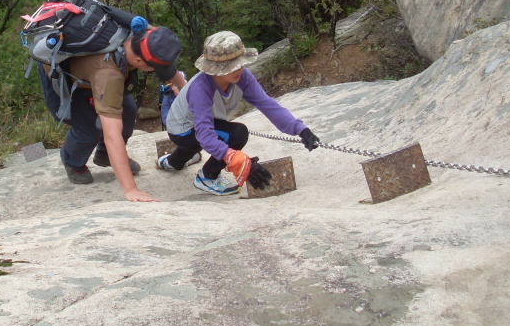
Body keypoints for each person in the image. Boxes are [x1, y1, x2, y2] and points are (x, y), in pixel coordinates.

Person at [159, 30, 322, 195]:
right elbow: (204, 135)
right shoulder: (201, 87)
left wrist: (301, 130)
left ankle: (173, 162)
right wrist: (236, 160)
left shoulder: (242, 76)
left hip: (201, 124)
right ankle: (207, 177)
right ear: (215, 69)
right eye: (232, 66)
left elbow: (267, 104)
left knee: (216, 136)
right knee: (237, 134)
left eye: (241, 63)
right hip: (182, 129)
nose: (239, 69)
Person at [39, 19, 186, 202]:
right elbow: (111, 135)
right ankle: (72, 161)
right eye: (153, 69)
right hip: (70, 76)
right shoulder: (108, 75)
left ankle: (105, 156)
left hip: (102, 69)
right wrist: (131, 189)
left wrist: (184, 89)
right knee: (88, 128)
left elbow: (163, 61)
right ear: (139, 60)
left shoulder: (144, 35)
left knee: (129, 110)